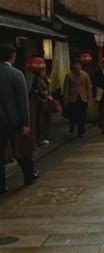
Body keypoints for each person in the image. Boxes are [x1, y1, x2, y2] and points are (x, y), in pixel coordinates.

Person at [0, 43, 39, 193]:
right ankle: (29, 175)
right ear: (13, 56)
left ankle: (1, 185)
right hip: (14, 120)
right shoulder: (16, 75)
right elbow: (23, 102)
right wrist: (26, 123)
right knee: (22, 150)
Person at [63, 58, 92, 138]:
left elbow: (88, 87)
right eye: (76, 64)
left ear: (81, 66)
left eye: (79, 64)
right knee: (73, 115)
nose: (77, 66)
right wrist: (65, 98)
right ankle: (71, 129)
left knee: (82, 115)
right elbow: (66, 88)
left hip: (83, 97)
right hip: (73, 97)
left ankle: (81, 131)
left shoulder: (85, 75)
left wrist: (89, 98)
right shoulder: (69, 75)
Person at [34, 68, 53, 146]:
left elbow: (48, 90)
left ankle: (46, 136)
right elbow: (41, 92)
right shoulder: (37, 80)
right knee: (41, 121)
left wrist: (49, 83)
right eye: (43, 72)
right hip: (41, 102)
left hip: (46, 102)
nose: (44, 73)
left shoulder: (44, 80)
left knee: (47, 120)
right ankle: (41, 138)